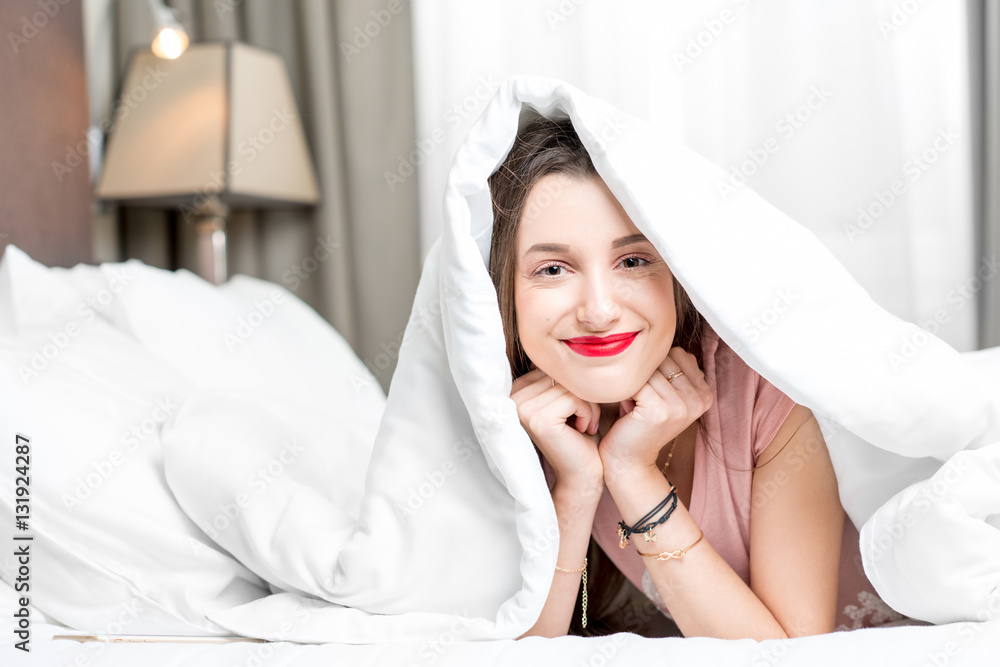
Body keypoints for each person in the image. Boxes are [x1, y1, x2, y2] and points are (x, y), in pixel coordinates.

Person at [489, 114, 907, 640]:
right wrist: (577, 487)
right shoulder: (539, 420)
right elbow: (528, 651)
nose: (598, 310)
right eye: (553, 269)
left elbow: (786, 655)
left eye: (634, 260)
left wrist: (633, 473)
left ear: (679, 275)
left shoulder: (765, 387)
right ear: (502, 290)